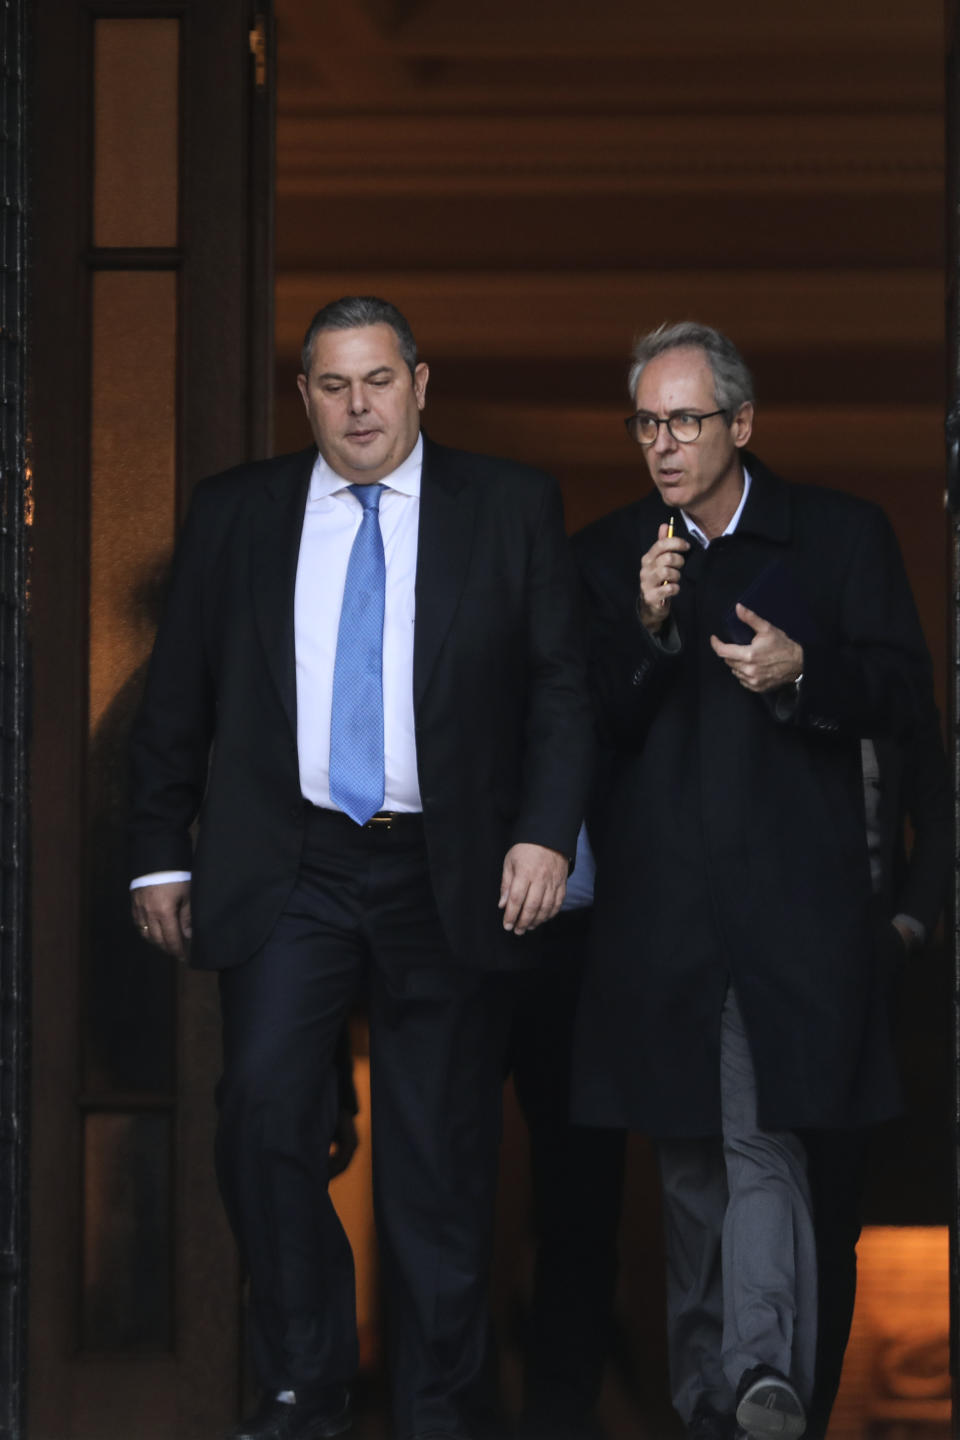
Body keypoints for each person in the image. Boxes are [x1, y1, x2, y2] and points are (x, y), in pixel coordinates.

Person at [128, 296, 592, 1440]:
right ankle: (305, 1381)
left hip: (450, 864)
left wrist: (544, 832)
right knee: (262, 1112)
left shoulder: (511, 506)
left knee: (440, 1152)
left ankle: (444, 1406)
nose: (358, 407)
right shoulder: (238, 513)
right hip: (292, 862)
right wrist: (154, 857)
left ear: (421, 384)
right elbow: (175, 697)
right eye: (332, 387)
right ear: (305, 398)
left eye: (378, 381)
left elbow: (561, 690)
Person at [572, 322, 932, 1440]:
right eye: (647, 423)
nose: (664, 445)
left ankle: (761, 1376)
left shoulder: (838, 534)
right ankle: (710, 1402)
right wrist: (644, 625)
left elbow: (904, 702)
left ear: (742, 424)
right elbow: (588, 731)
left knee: (760, 1134)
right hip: (661, 915)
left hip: (795, 907)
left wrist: (804, 670)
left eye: (685, 420)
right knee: (690, 1170)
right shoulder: (611, 551)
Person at [804, 705, 951, 1440]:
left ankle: (815, 1417)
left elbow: (938, 814)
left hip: (872, 971)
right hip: (761, 967)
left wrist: (906, 927)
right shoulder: (757, 665)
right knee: (749, 1203)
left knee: (834, 1222)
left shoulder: (892, 688)